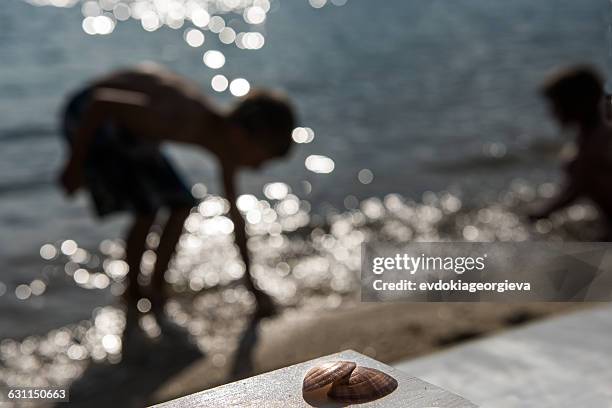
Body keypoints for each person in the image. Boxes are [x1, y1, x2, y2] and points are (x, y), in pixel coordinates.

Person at [60, 63, 296, 317]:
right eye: (263, 157)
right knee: (146, 210)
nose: (260, 168)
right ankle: (133, 293)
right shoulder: (179, 117)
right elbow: (100, 102)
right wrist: (75, 165)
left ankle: (157, 289)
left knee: (181, 204)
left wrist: (253, 288)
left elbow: (236, 221)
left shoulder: (226, 147)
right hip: (89, 115)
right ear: (241, 135)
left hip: (134, 130)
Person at [529, 65, 612, 238]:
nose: (552, 112)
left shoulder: (593, 146)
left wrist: (540, 213)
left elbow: (575, 189)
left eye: (556, 104)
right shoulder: (596, 133)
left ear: (576, 105)